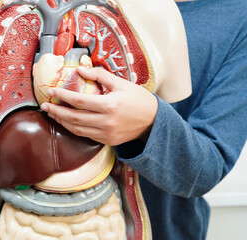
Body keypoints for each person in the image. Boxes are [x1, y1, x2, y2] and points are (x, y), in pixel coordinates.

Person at [40, 0, 247, 239]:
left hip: (162, 227)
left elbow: (209, 167)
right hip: (38, 213)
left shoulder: (238, 19)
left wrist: (149, 122)